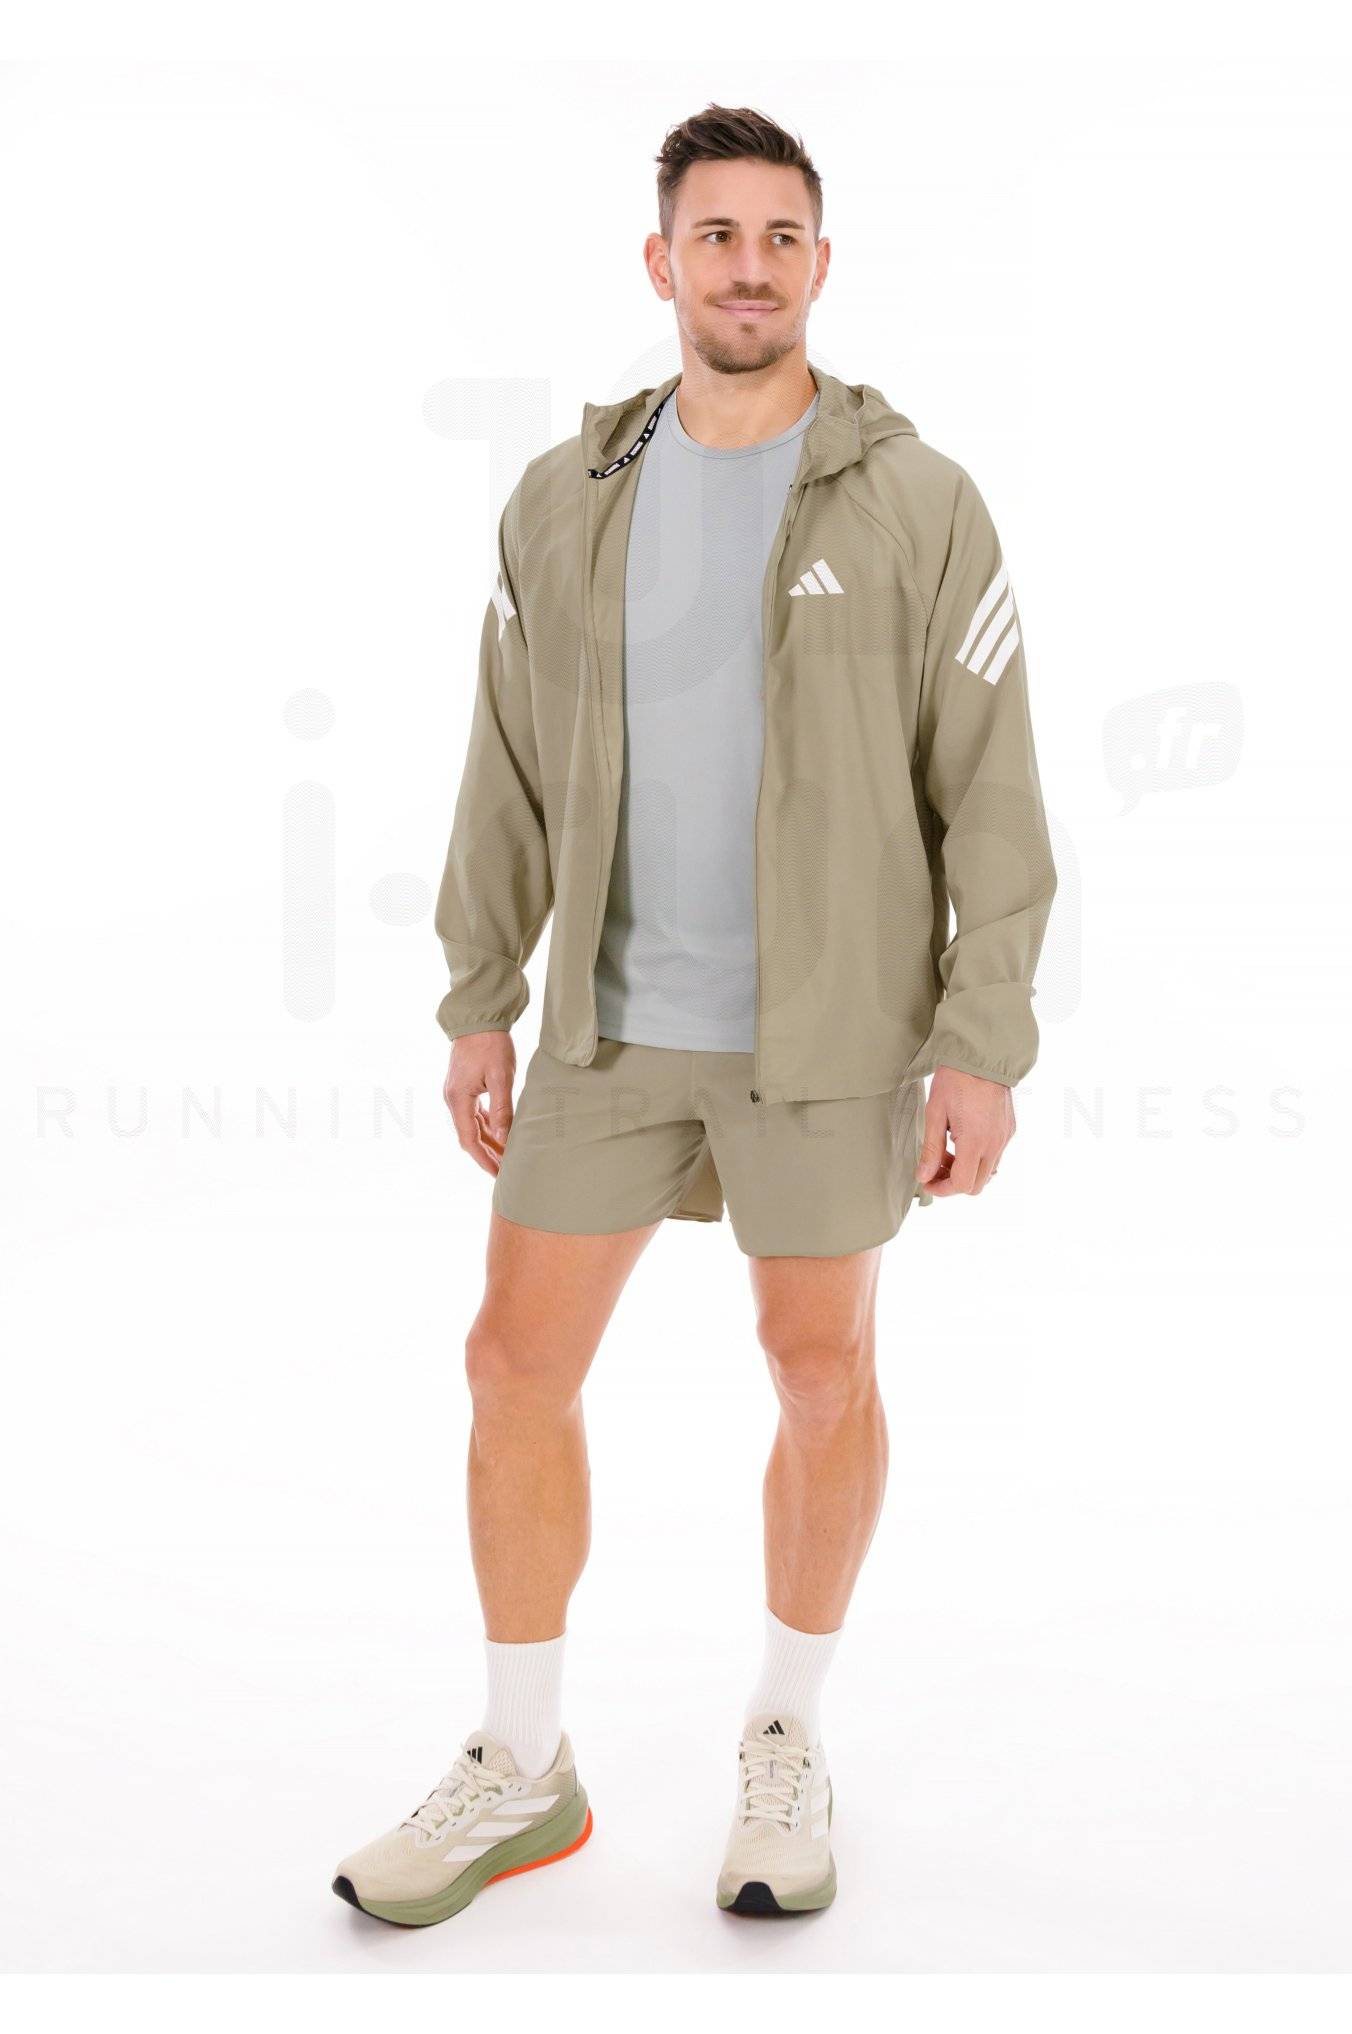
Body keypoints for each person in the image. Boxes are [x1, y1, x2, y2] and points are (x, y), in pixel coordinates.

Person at [333, 101, 1056, 1927]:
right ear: (661, 261)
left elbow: (992, 788)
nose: (749, 267)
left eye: (780, 237)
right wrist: (480, 993)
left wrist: (981, 1037)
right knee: (513, 1365)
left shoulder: (921, 500)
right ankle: (523, 1763)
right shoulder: (564, 496)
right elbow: (503, 765)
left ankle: (786, 1732)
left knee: (820, 1371)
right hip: (605, 1025)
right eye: (716, 236)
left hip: (831, 1031)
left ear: (823, 262)